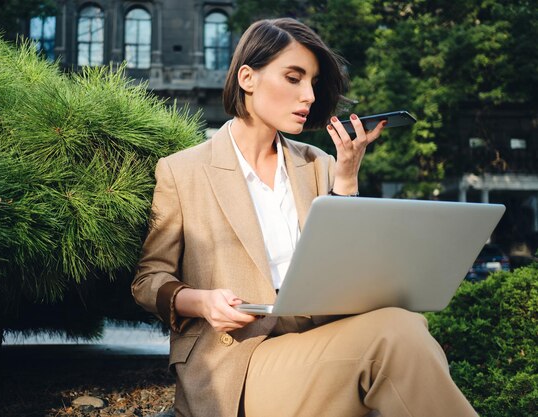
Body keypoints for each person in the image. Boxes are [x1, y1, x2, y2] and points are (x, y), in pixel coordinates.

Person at [132, 18, 477, 417]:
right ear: (248, 78)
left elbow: (348, 277)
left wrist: (346, 180)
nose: (308, 95)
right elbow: (148, 280)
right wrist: (200, 301)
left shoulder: (320, 164)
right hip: (235, 365)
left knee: (402, 324)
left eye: (312, 82)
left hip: (319, 345)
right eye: (293, 78)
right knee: (395, 335)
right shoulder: (183, 170)